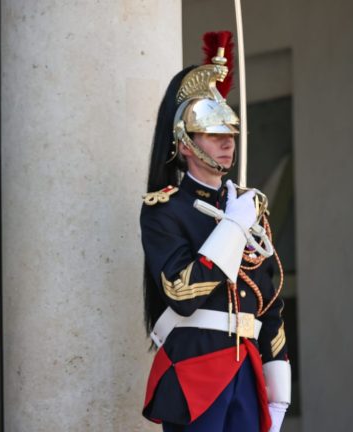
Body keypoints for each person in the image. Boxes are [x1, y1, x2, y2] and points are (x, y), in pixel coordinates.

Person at [140, 32, 291, 432]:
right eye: (214, 135)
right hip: (195, 372)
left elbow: (269, 302)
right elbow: (181, 292)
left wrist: (280, 389)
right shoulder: (166, 209)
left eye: (230, 135)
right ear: (186, 143)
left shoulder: (247, 206)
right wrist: (233, 228)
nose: (227, 144)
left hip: (248, 371)